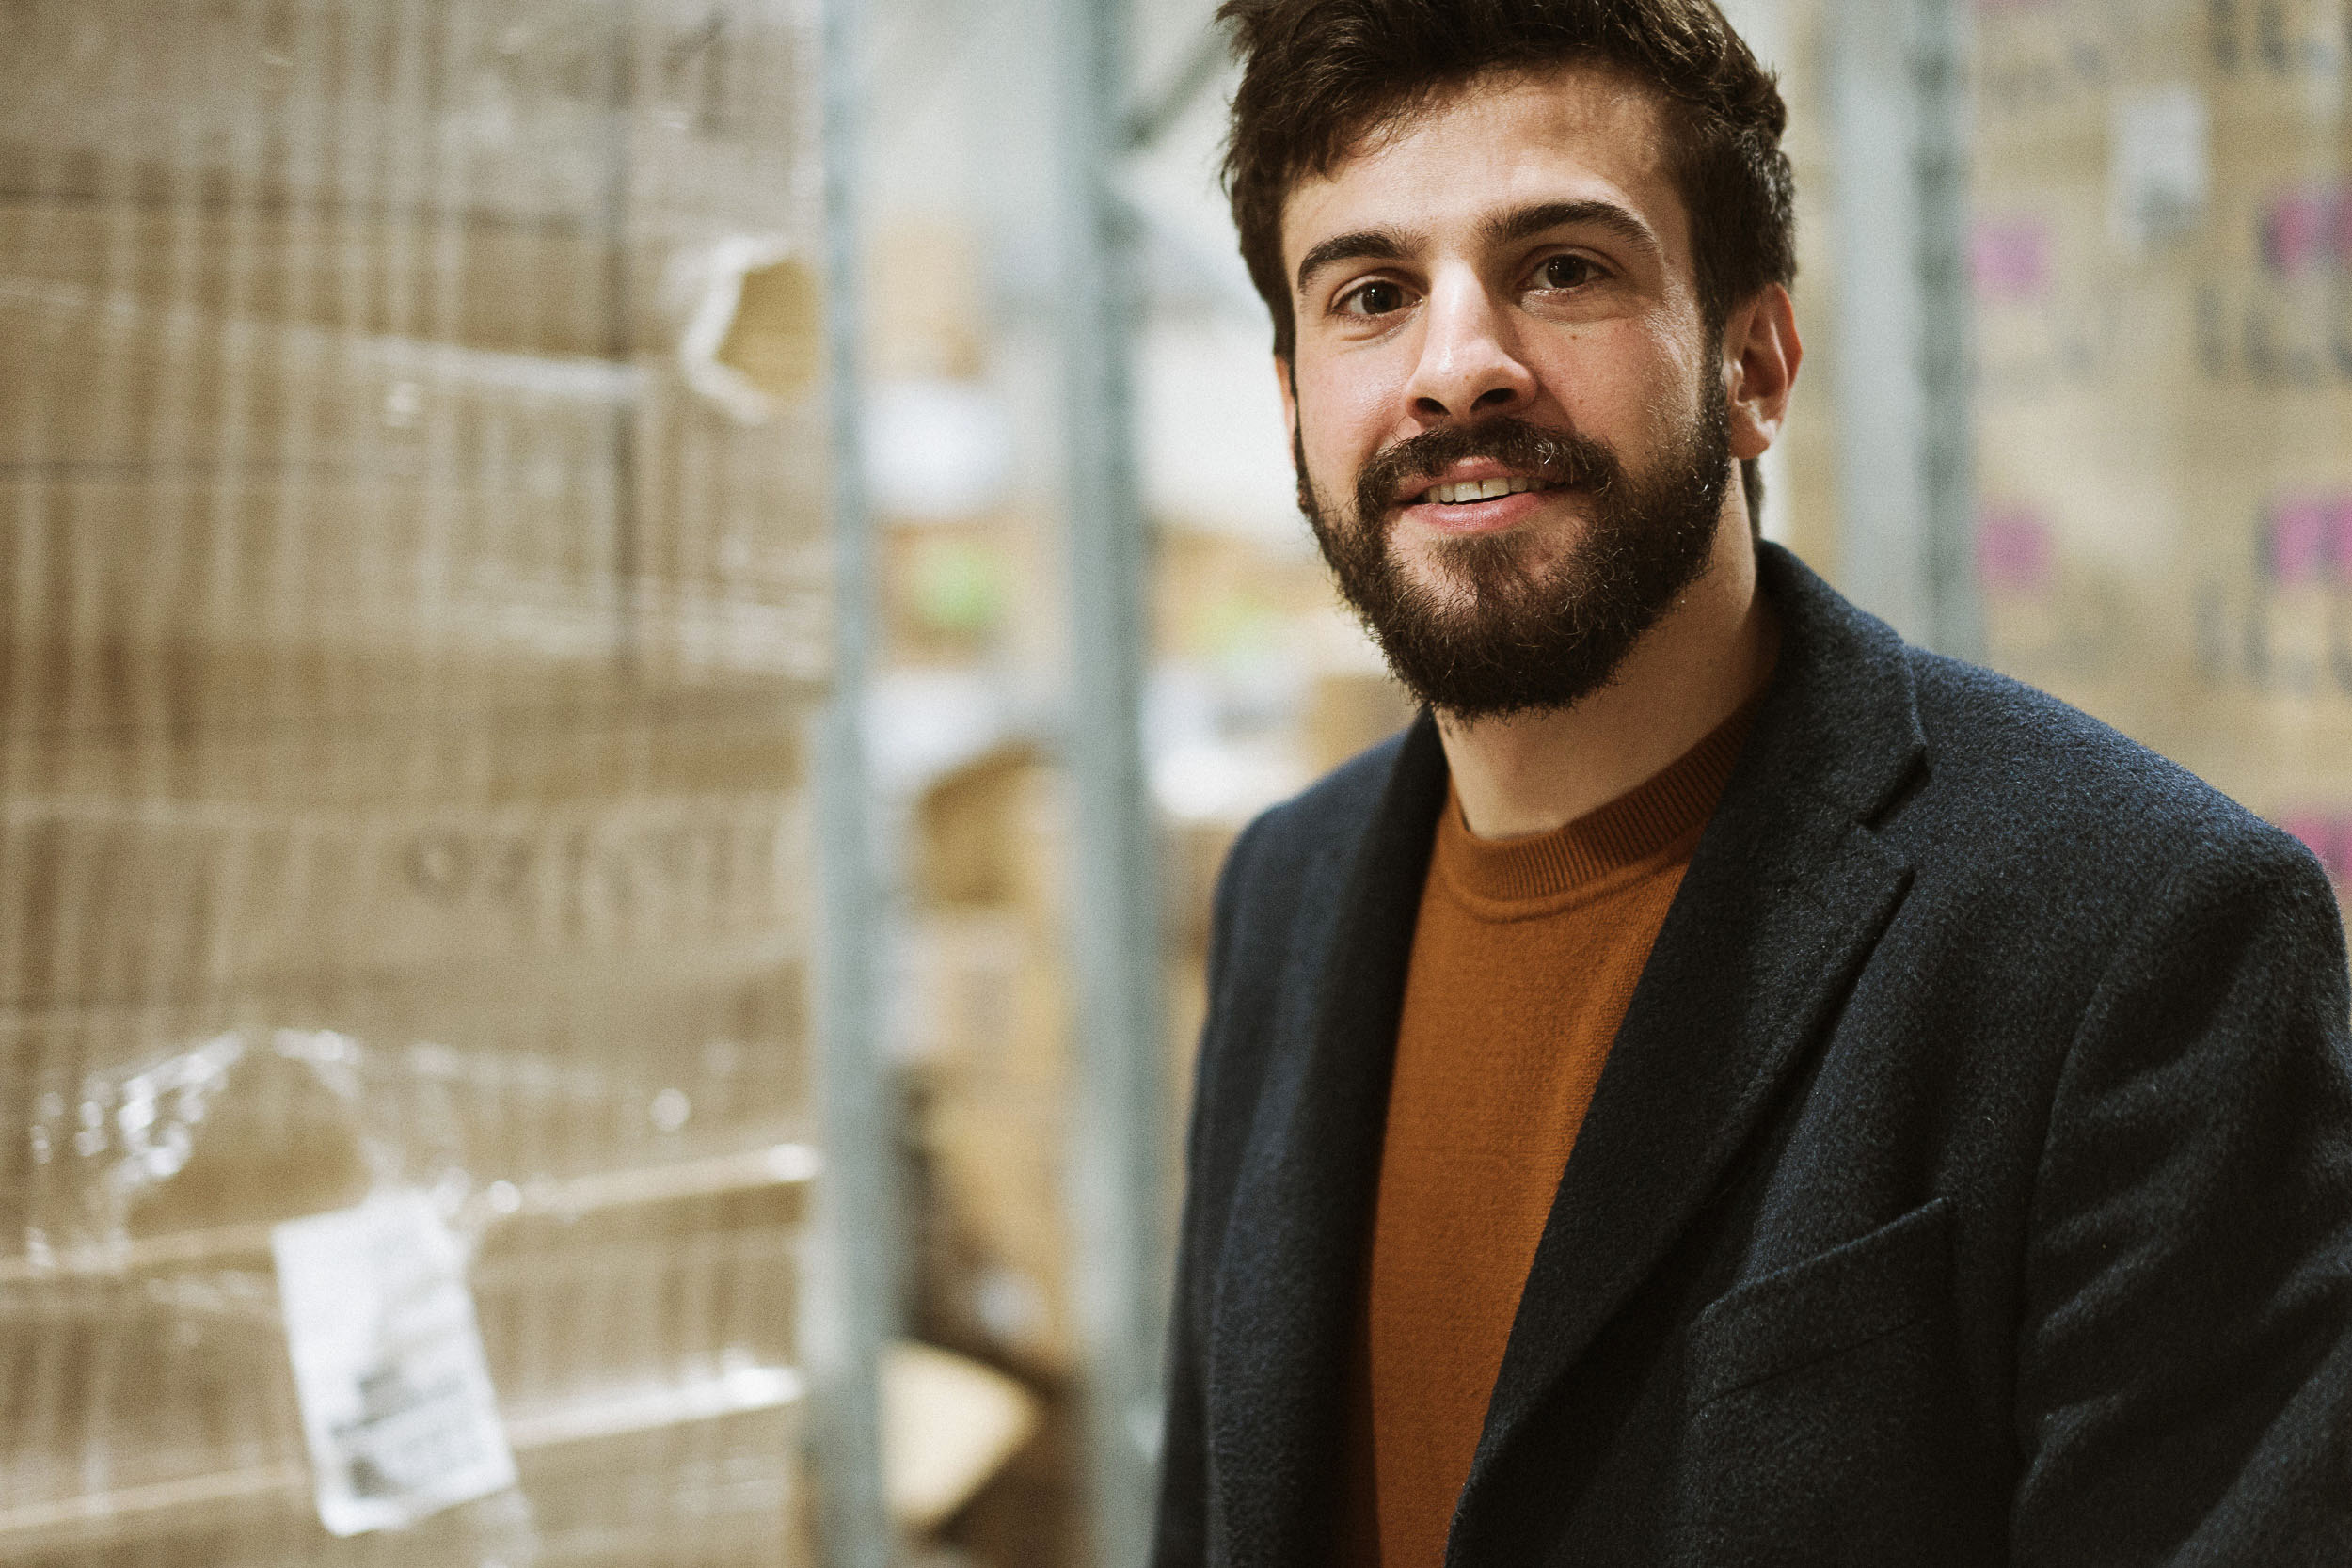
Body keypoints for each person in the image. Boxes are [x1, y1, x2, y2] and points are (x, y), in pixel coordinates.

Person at [1151, 2, 2352, 1564]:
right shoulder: (1285, 894)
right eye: (1371, 295)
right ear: (1295, 400)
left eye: (1563, 268)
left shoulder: (2138, 936)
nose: (1457, 369)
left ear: (1756, 364)